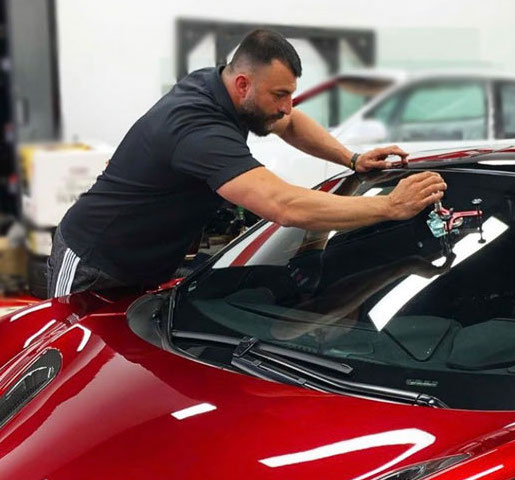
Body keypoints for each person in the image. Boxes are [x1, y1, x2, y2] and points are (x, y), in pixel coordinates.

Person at [47, 29, 446, 297]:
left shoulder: (225, 86)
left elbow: (288, 122)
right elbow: (283, 205)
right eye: (280, 94)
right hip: (93, 260)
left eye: (291, 93)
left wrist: (352, 159)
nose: (288, 106)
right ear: (243, 85)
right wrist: (389, 206)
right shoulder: (196, 128)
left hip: (145, 266)